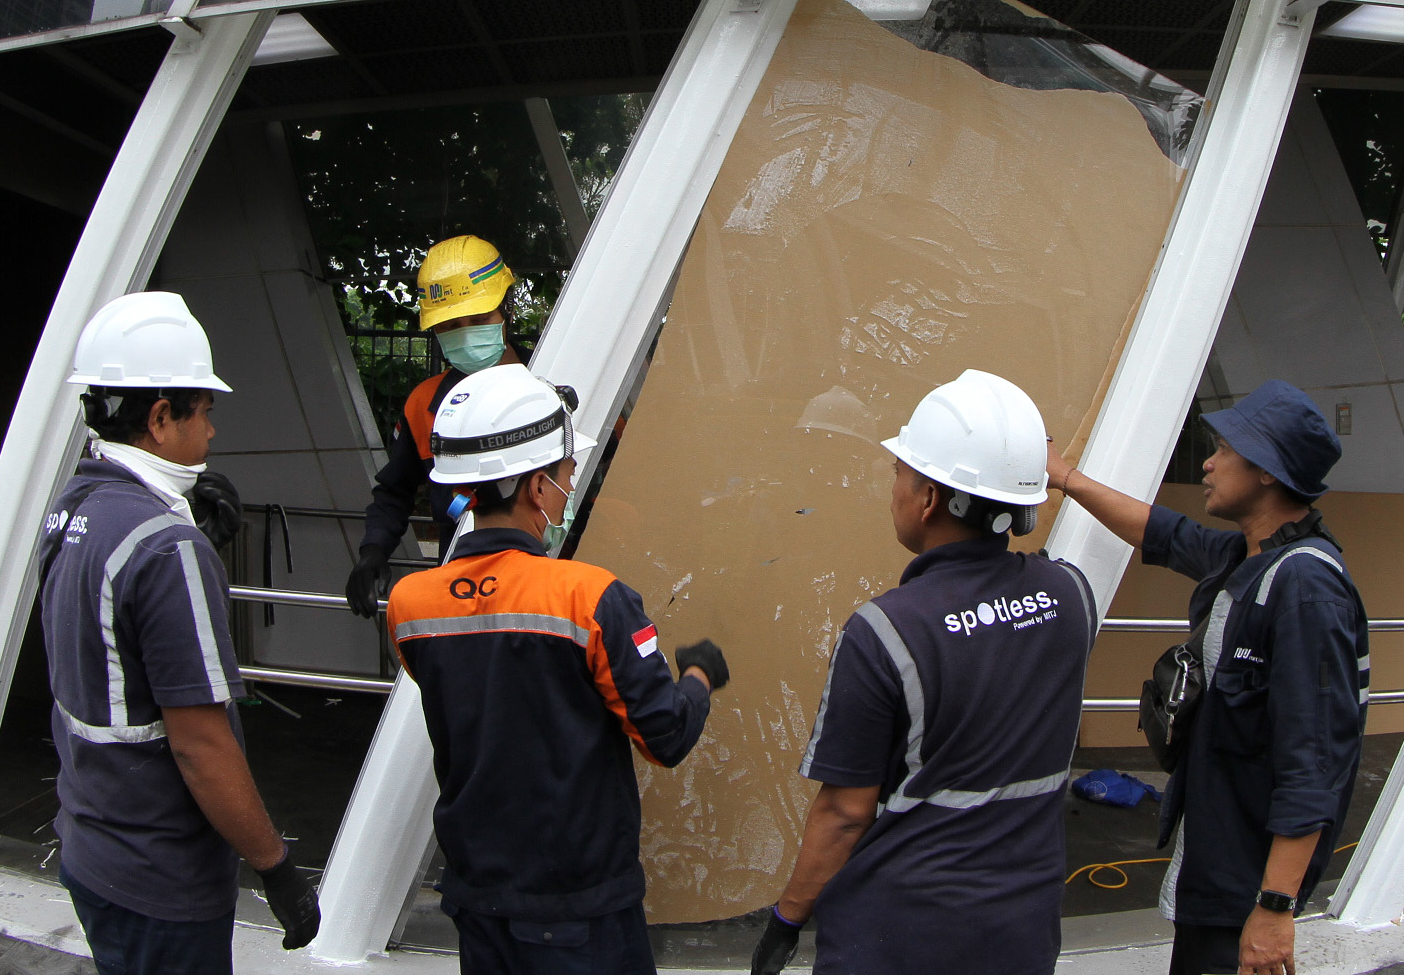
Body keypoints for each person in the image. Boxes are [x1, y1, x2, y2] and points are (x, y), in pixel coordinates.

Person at [750, 369, 1098, 975]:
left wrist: (786, 920)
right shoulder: (1071, 593)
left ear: (930, 498)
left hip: (900, 936)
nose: (895, 489)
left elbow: (844, 813)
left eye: (901, 474)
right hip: (1022, 932)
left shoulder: (885, 630)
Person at [385, 363, 727, 974]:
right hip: (578, 908)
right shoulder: (591, 598)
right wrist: (698, 677)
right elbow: (664, 737)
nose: (571, 486)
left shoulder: (412, 605)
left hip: (477, 897)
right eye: (567, 474)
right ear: (537, 490)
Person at [39, 292, 320, 973]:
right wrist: (275, 867)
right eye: (205, 411)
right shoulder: (167, 549)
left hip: (92, 843)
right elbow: (200, 745)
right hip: (158, 877)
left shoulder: (73, 509)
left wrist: (186, 525)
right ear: (161, 417)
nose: (213, 432)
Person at [1048, 380, 1368, 975]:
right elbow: (1164, 534)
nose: (1209, 462)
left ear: (1268, 471)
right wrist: (1066, 478)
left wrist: (1275, 908)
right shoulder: (1248, 556)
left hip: (1247, 891)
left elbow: (1314, 762)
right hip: (1214, 866)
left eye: (1224, 449)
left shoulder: (1305, 588)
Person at [348, 235, 527, 617]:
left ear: (505, 311)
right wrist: (373, 552)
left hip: (550, 586)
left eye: (478, 320)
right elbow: (394, 491)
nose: (465, 334)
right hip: (461, 594)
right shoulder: (423, 407)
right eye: (450, 326)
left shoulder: (557, 386)